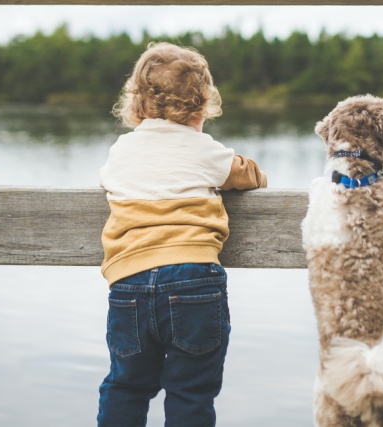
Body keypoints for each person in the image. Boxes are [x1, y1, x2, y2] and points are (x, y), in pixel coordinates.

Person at [97, 42, 267, 427]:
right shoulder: (205, 150)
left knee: (126, 385)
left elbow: (107, 179)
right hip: (193, 280)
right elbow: (251, 176)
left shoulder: (121, 151)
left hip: (129, 284)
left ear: (137, 104)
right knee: (191, 392)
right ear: (203, 106)